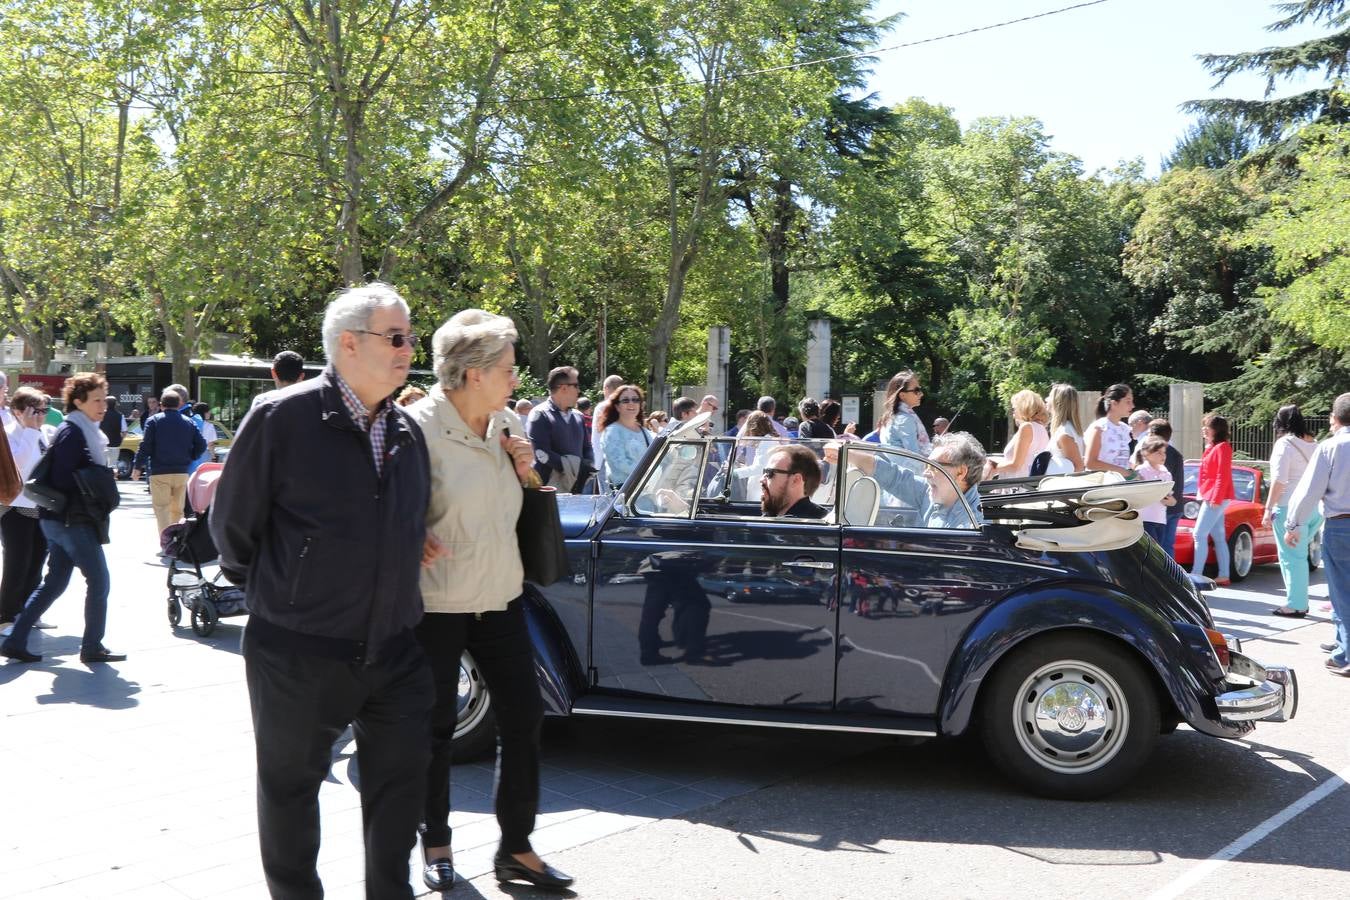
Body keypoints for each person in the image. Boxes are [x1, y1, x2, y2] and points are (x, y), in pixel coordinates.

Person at [209, 283, 435, 899]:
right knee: (289, 789)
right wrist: (290, 590)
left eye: (410, 336)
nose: (408, 348)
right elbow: (232, 528)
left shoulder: (408, 430)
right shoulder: (282, 416)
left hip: (393, 648)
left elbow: (404, 519)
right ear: (348, 343)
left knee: (398, 792)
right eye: (396, 336)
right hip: (297, 650)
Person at [405, 308, 574, 893]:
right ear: (473, 372)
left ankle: (516, 849)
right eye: (507, 365)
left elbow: (517, 509)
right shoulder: (417, 426)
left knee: (525, 717)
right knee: (434, 727)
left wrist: (526, 471)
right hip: (436, 603)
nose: (516, 375)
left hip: (500, 596)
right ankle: (436, 842)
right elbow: (384, 505)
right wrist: (408, 529)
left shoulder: (505, 421)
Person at [1, 373, 124, 664]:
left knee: (54, 582)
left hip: (60, 520)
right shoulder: (73, 432)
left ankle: (16, 639)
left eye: (103, 399)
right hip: (71, 520)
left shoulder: (82, 430)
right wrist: (98, 481)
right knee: (99, 580)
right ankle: (92, 646)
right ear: (78, 401)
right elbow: (62, 477)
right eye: (96, 400)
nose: (102, 406)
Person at [1283, 393, 1350, 675]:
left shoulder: (1331, 447)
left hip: (1341, 525)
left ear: (1334, 419)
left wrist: (1293, 524)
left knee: (1342, 592)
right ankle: (1340, 642)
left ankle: (1346, 654)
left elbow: (1310, 489)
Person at [833, 432, 987, 529]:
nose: (926, 473)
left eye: (934, 466)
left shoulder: (967, 525)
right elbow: (895, 477)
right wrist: (847, 454)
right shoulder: (935, 493)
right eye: (927, 464)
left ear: (961, 472)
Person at [0, 388, 52, 635]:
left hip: (41, 507)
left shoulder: (42, 433)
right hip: (16, 508)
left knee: (36, 563)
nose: (40, 416)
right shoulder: (10, 434)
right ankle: (6, 616)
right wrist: (30, 430)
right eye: (35, 411)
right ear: (18, 411)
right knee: (16, 564)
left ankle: (29, 611)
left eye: (44, 410)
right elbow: (16, 466)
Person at [1265, 404, 1324, 618]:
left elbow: (1280, 480)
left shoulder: (1284, 444)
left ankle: (1296, 604)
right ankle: (1299, 601)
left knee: (1291, 557)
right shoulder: (1314, 444)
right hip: (1315, 507)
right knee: (1299, 554)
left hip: (1289, 507)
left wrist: (1268, 507)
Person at [132, 391, 207, 539]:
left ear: (161, 405)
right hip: (181, 471)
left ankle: (165, 540)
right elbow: (201, 444)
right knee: (177, 509)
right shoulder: (189, 422)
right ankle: (176, 539)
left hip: (159, 471)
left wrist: (137, 466)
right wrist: (191, 456)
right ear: (179, 404)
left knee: (161, 508)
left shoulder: (153, 421)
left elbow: (145, 446)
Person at [526, 365, 594, 490]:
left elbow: (587, 447)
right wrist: (575, 467)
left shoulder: (579, 416)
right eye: (576, 385)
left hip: (576, 489)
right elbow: (542, 453)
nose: (578, 391)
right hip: (548, 489)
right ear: (563, 388)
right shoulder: (540, 414)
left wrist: (589, 464)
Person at [1190, 412, 1236, 586]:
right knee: (1218, 535)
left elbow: (1221, 476)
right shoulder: (1215, 447)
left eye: (1207, 426)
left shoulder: (1222, 447)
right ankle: (1223, 575)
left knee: (1198, 535)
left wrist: (1215, 498)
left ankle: (1196, 575)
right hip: (1214, 496)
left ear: (1215, 430)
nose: (1203, 429)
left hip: (1215, 497)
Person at [986, 389, 1049, 479]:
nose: (1013, 412)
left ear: (1024, 407)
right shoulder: (1041, 429)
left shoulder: (1027, 427)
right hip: (1027, 485)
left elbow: (1016, 465)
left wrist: (992, 467)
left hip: (1016, 486)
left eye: (1014, 408)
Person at [598, 384, 650, 490]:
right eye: (626, 400)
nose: (631, 403)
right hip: (624, 493)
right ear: (617, 406)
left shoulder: (645, 432)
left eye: (635, 400)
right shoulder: (612, 431)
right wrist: (648, 474)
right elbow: (620, 463)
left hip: (647, 490)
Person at [1148, 419, 1186, 558]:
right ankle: (1172, 577)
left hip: (1163, 507)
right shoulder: (1176, 454)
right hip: (1176, 505)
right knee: (1168, 546)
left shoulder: (1156, 454)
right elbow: (1179, 483)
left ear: (1153, 434)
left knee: (1158, 548)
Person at [759, 445, 827, 518]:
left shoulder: (803, 525)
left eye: (770, 473)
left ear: (795, 480)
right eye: (764, 472)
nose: (761, 479)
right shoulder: (774, 517)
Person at [1132, 435, 1175, 546]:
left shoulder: (1166, 473)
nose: (1163, 456)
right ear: (1147, 453)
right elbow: (1136, 495)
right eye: (1158, 453)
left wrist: (1169, 500)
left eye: (1164, 452)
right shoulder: (1141, 471)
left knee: (1157, 553)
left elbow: (1170, 500)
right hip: (1145, 519)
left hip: (1160, 520)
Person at [1084, 383, 1134, 476]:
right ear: (1114, 403)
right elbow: (1090, 463)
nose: (1132, 406)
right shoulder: (1099, 428)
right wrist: (1122, 471)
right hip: (1102, 483)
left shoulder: (1125, 429)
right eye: (1128, 401)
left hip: (1120, 483)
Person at [877, 370, 930, 456]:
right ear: (902, 395)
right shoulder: (904, 419)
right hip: (906, 468)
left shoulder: (891, 416)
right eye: (916, 390)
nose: (921, 394)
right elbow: (915, 456)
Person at [1044, 383, 1086, 475]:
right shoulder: (1067, 429)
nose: (1046, 399)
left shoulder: (1064, 433)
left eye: (1050, 396)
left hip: (1063, 486)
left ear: (1058, 402)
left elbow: (1078, 468)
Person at [590, 373, 625, 471]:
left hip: (605, 458)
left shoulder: (602, 407)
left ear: (606, 388)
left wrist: (595, 463)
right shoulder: (628, 406)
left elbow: (597, 435)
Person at [99, 395, 127, 469]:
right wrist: (120, 440)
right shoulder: (120, 415)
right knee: (113, 466)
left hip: (102, 445)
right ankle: (112, 479)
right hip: (115, 444)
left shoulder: (100, 414)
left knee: (102, 466)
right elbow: (124, 432)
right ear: (115, 404)